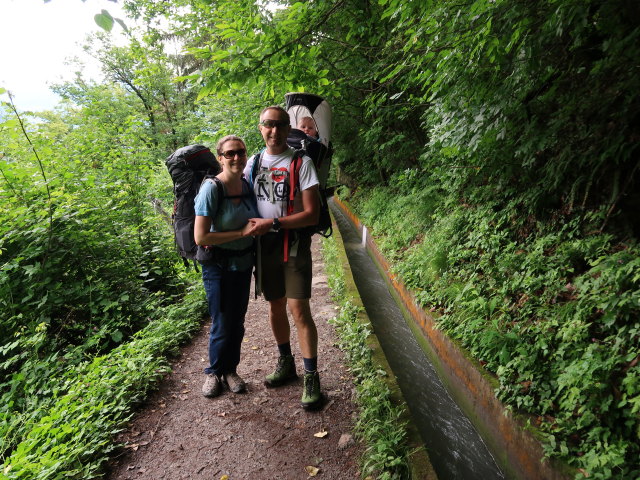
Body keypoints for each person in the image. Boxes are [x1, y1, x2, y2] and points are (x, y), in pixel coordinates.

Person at [245, 105, 323, 410]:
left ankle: (312, 375)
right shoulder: (252, 163)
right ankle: (285, 361)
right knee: (275, 305)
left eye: (279, 125)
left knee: (298, 309)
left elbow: (311, 214)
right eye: (268, 124)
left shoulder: (301, 163)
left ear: (286, 128)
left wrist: (273, 223)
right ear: (261, 128)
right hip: (264, 247)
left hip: (293, 244)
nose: (273, 130)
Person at [194, 135, 259, 398]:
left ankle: (230, 370)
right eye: (230, 153)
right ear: (220, 158)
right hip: (218, 267)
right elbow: (201, 237)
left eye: (240, 152)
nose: (236, 158)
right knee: (222, 321)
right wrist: (241, 233)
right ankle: (213, 372)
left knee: (238, 321)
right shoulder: (212, 188)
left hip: (243, 264)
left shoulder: (246, 185)